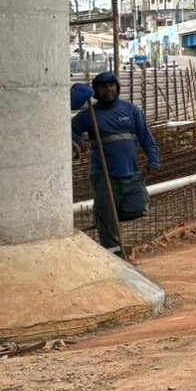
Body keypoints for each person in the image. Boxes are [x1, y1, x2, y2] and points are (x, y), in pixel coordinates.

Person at [70, 71, 161, 257]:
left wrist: (154, 160)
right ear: (96, 91)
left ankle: (104, 218)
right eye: (104, 86)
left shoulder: (131, 110)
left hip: (130, 172)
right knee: (108, 218)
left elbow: (146, 137)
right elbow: (68, 128)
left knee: (138, 207)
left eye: (112, 85)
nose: (109, 89)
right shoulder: (89, 116)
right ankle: (114, 255)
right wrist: (77, 140)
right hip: (103, 174)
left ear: (117, 87)